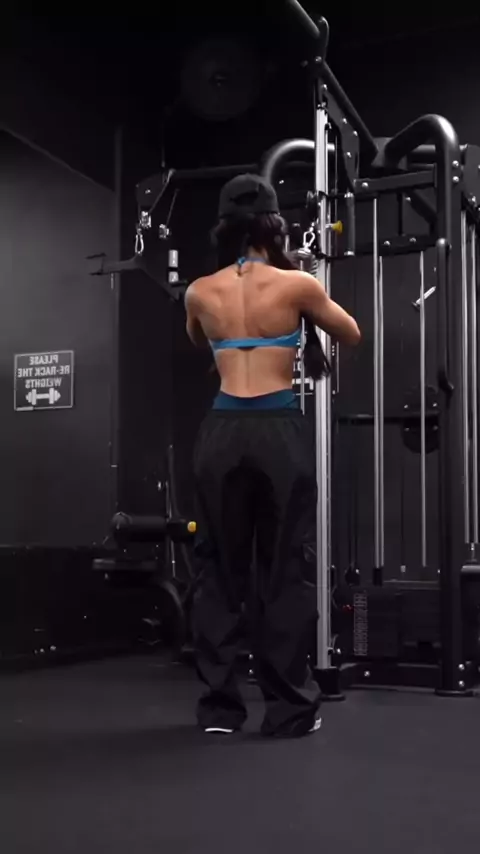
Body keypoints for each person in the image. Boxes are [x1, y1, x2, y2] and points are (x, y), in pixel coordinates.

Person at [185, 174, 360, 738]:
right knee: (284, 570)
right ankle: (288, 712)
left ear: (223, 228)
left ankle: (220, 710)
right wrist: (303, 305)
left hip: (221, 433)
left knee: (218, 568)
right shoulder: (297, 285)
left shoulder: (199, 291)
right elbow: (351, 333)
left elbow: (199, 340)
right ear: (274, 226)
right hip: (277, 431)